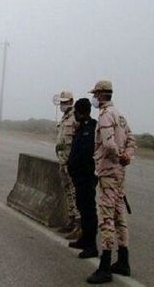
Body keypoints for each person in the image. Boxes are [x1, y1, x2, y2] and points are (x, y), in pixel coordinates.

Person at [87, 80, 137, 284]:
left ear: (100, 95)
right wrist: (127, 156)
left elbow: (108, 144)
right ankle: (123, 261)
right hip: (119, 174)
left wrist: (119, 156)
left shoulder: (106, 115)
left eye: (95, 95)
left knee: (106, 217)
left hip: (108, 172)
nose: (94, 99)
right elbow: (132, 140)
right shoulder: (120, 115)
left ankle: (105, 266)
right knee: (119, 216)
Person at [67, 98, 99, 259]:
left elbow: (87, 155)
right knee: (82, 207)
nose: (75, 115)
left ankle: (91, 245)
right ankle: (84, 239)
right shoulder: (81, 128)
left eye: (76, 112)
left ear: (81, 112)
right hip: (79, 177)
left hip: (87, 177)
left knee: (89, 211)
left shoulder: (92, 128)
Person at [55, 91, 81, 240]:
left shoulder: (75, 117)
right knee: (68, 191)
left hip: (71, 160)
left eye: (65, 102)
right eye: (61, 102)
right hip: (62, 159)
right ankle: (71, 219)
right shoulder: (65, 118)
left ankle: (78, 223)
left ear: (71, 101)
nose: (62, 105)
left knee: (74, 192)